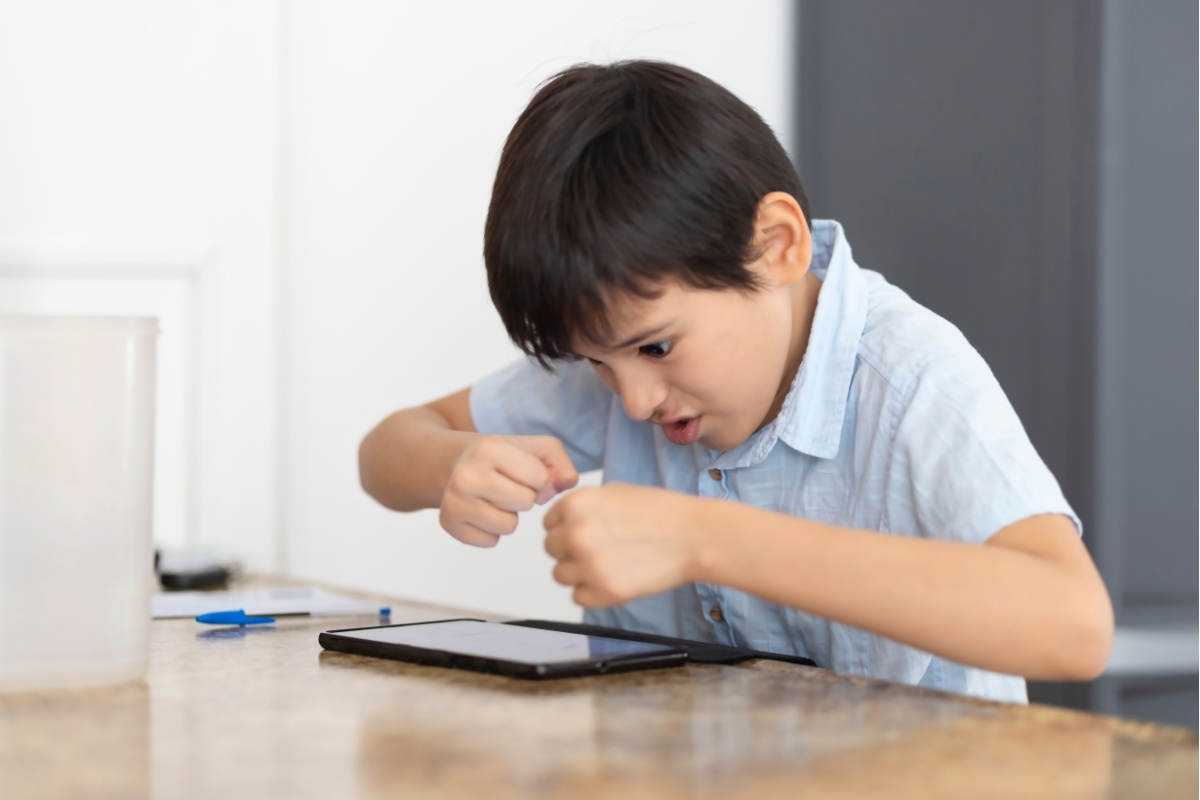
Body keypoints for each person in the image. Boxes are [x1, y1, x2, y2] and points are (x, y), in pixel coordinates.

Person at [358, 61, 1113, 702]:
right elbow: (388, 450)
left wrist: (706, 539)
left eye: (655, 348)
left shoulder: (909, 379)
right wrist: (451, 466)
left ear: (777, 246)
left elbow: (1074, 624)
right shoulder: (629, 364)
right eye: (595, 362)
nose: (633, 400)